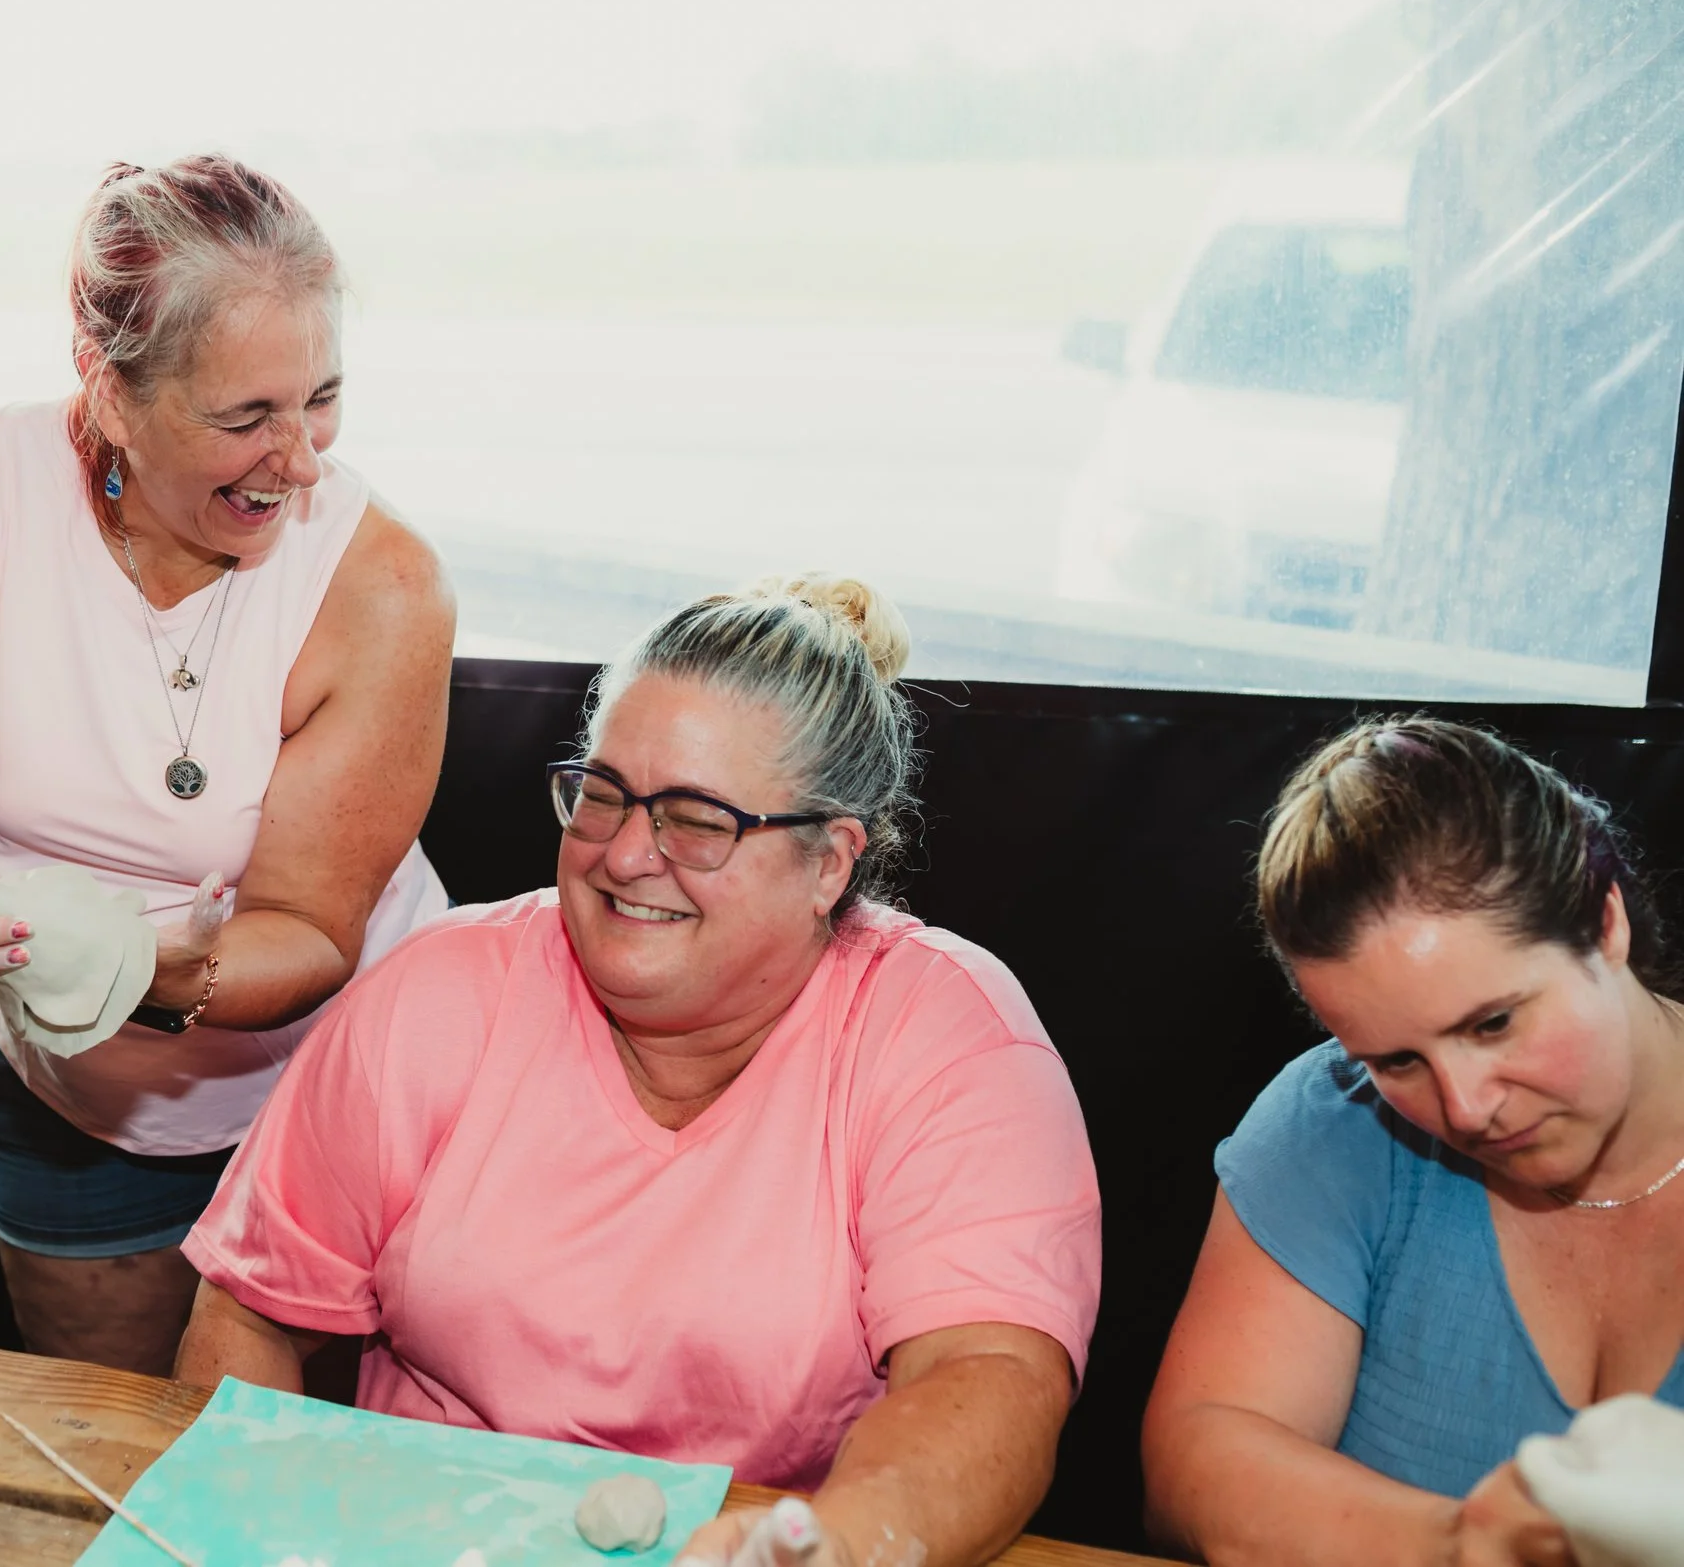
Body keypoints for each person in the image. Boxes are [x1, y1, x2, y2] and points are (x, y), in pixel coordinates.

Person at [176, 576, 1103, 1567]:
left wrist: (834, 1544)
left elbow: (988, 1372)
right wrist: (229, 1533)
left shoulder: (946, 1035)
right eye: (604, 795)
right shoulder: (437, 995)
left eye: (696, 819)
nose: (622, 854)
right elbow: (250, 1318)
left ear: (830, 861)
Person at [0, 155, 453, 1374]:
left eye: (322, 397)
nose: (300, 458)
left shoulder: (386, 584)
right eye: (246, 417)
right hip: (67, 1106)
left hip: (357, 1097)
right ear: (106, 390)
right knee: (121, 1455)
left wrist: (127, 975)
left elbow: (310, 927)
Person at [1144, 718, 1684, 1565]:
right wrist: (1464, 1543)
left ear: (1602, 921)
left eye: (1494, 1021)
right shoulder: (1334, 1122)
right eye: (1397, 1059)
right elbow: (1194, 1462)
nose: (1465, 1108)